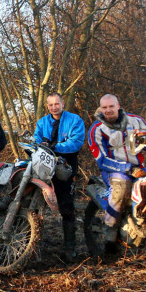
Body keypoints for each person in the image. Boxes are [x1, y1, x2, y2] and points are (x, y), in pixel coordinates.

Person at [87, 94, 146, 255]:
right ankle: (109, 233)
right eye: (104, 107)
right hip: (114, 171)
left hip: (140, 168)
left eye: (111, 106)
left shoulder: (136, 121)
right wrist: (127, 168)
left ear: (118, 106)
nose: (108, 110)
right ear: (100, 109)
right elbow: (101, 160)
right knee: (122, 187)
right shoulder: (96, 130)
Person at [34, 92, 85, 263]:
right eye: (50, 105)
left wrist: (54, 146)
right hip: (43, 165)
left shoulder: (74, 120)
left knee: (66, 206)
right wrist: (37, 145)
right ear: (47, 106)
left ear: (63, 104)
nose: (54, 107)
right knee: (34, 202)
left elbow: (76, 142)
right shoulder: (42, 122)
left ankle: (70, 247)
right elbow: (36, 140)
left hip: (65, 166)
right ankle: (31, 243)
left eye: (57, 104)